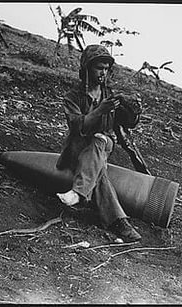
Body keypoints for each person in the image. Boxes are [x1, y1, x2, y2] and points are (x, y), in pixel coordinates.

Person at [55, 44, 143, 242]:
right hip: (78, 147)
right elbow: (77, 126)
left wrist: (134, 112)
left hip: (104, 144)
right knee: (99, 169)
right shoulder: (73, 97)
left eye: (105, 68)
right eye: (98, 68)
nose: (102, 72)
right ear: (87, 68)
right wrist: (99, 111)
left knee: (100, 140)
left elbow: (128, 123)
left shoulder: (110, 96)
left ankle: (79, 192)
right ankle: (119, 222)